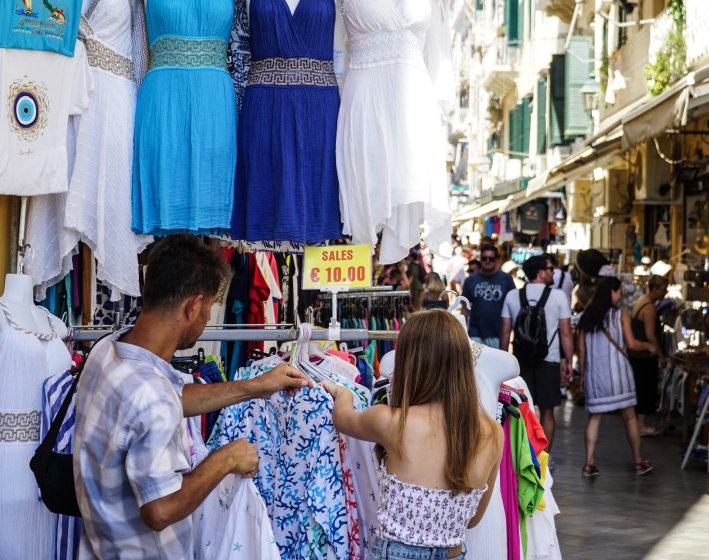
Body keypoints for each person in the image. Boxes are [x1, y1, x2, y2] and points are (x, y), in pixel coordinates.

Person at [73, 234, 310, 559]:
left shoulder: (107, 350)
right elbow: (159, 510)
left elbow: (170, 400)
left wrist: (256, 386)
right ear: (193, 306)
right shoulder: (151, 396)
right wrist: (226, 459)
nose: (208, 318)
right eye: (210, 308)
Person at [322, 310, 504, 560]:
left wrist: (343, 393)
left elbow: (342, 419)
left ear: (410, 362)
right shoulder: (493, 433)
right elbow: (472, 520)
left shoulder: (392, 421)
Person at [577, 277, 657, 476]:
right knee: (630, 417)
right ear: (611, 292)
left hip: (595, 376)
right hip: (619, 376)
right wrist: (648, 345)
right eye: (619, 292)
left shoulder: (585, 316)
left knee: (594, 418)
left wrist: (583, 376)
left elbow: (581, 350)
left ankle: (589, 463)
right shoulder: (621, 315)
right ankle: (638, 461)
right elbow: (631, 344)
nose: (621, 296)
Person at [499, 254, 573, 451]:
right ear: (541, 273)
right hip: (549, 360)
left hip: (520, 362)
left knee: (521, 410)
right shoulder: (558, 296)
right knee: (547, 412)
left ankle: (523, 455)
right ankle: (543, 458)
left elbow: (505, 332)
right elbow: (566, 332)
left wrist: (502, 362)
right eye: (550, 269)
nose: (553, 273)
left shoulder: (512, 296)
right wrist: (568, 361)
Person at [628, 274, 668, 436]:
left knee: (639, 389)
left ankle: (638, 424)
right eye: (663, 289)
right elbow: (650, 335)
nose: (665, 293)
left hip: (636, 355)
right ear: (654, 289)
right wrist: (661, 356)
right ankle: (640, 425)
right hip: (645, 355)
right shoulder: (650, 307)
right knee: (645, 390)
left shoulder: (641, 301)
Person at [461, 244, 515, 348]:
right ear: (480, 259)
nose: (487, 261)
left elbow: (513, 305)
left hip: (499, 333)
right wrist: (462, 331)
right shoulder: (470, 280)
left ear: (497, 260)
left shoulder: (506, 279)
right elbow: (465, 308)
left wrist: (510, 331)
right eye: (484, 258)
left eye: (491, 258)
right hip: (475, 333)